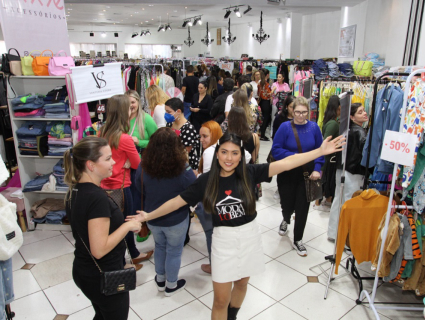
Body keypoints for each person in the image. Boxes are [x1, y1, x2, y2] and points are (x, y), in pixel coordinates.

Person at [127, 132, 345, 320]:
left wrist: (319, 151)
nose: (228, 158)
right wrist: (148, 216)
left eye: (234, 153)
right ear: (217, 152)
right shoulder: (206, 180)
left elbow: (287, 163)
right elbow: (177, 201)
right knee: (220, 299)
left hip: (250, 237)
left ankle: (233, 317)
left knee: (241, 284)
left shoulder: (250, 173)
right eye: (224, 152)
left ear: (241, 156)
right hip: (223, 242)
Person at [65, 137, 142, 320]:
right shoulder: (96, 198)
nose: (114, 162)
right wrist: (127, 226)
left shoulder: (74, 190)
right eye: (107, 159)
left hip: (85, 270)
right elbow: (99, 249)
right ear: (90, 165)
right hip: (101, 274)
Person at [135, 128, 196, 296]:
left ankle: (160, 279)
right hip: (176, 219)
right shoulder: (183, 169)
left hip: (152, 218)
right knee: (174, 251)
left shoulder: (143, 166)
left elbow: (138, 187)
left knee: (160, 246)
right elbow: (194, 188)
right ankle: (171, 284)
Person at [99, 95, 151, 269]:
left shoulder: (102, 132)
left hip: (105, 186)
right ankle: (122, 264)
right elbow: (137, 163)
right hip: (121, 187)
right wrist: (128, 162)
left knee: (116, 225)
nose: (131, 110)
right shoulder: (125, 138)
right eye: (128, 108)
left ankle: (133, 254)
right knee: (124, 225)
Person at [272, 96, 325, 256]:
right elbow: (276, 149)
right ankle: (286, 219)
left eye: (304, 112)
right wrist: (295, 156)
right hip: (287, 171)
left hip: (306, 174)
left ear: (309, 112)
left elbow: (320, 151)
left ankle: (298, 239)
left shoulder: (314, 128)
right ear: (291, 111)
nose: (301, 116)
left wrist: (317, 168)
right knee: (287, 204)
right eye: (297, 112)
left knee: (303, 207)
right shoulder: (285, 127)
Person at [327, 103, 368, 241]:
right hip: (354, 172)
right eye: (360, 112)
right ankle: (345, 239)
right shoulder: (360, 132)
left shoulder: (344, 129)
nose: (364, 113)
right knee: (349, 204)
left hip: (342, 169)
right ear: (352, 116)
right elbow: (364, 155)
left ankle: (333, 233)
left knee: (338, 200)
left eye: (364, 110)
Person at [125, 90, 158, 242]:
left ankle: (143, 226)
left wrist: (139, 142)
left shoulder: (146, 119)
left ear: (138, 102)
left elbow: (157, 141)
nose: (130, 105)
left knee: (140, 196)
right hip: (124, 163)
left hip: (141, 163)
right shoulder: (121, 119)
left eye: (133, 102)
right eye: (127, 102)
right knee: (129, 196)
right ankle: (131, 224)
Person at [196, 121, 224, 274]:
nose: (202, 140)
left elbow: (206, 180)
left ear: (214, 134)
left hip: (211, 200)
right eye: (200, 136)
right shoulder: (225, 146)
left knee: (210, 233)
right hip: (225, 196)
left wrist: (198, 176)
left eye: (205, 136)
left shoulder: (208, 152)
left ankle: (215, 265)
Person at [316, 95, 340, 209]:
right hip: (328, 158)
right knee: (323, 179)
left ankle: (323, 200)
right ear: (338, 108)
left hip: (328, 157)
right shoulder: (333, 124)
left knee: (324, 179)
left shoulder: (331, 121)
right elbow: (325, 142)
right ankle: (318, 203)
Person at [165, 97, 200, 172]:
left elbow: (187, 150)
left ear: (178, 111)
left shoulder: (188, 128)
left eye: (169, 112)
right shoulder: (169, 124)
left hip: (185, 165)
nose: (166, 114)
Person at [258, 70, 273, 141]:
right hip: (266, 102)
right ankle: (262, 135)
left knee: (263, 118)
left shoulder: (260, 83)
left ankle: (261, 133)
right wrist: (274, 90)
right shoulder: (266, 84)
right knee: (266, 119)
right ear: (267, 75)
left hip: (261, 102)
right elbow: (269, 94)